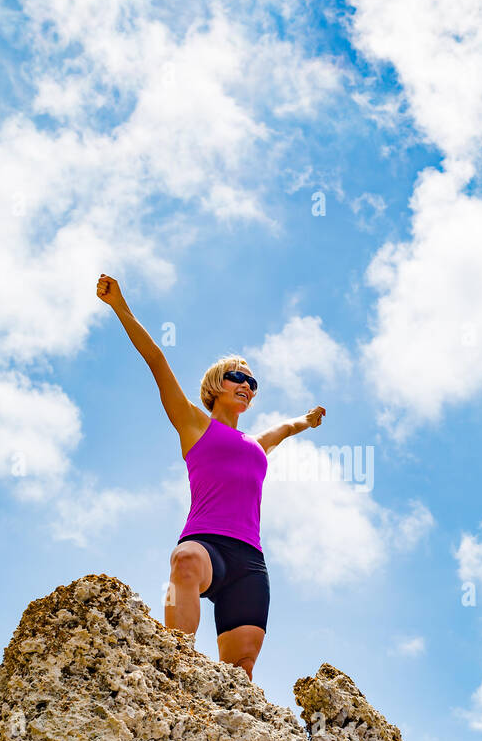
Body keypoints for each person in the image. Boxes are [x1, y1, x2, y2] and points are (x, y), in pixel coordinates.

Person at [96, 273, 325, 679]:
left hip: (249, 563)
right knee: (183, 562)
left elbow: (285, 429)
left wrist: (306, 421)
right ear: (217, 385)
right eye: (239, 377)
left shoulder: (257, 444)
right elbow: (156, 360)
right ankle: (173, 669)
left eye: (252, 383)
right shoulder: (194, 425)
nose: (248, 386)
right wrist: (120, 307)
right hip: (206, 545)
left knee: (241, 673)